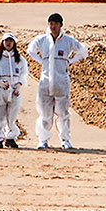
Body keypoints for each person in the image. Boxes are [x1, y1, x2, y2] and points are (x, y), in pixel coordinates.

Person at [27, 12, 83, 152]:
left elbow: (83, 51)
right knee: (45, 113)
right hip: (45, 82)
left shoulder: (68, 41)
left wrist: (70, 61)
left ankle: (65, 140)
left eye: (55, 24)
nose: (53, 26)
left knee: (63, 113)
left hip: (61, 82)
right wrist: (41, 62)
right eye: (51, 24)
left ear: (61, 25)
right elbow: (31, 50)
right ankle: (43, 140)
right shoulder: (42, 40)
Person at [0, 33, 28, 149]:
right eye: (6, 41)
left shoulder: (19, 59)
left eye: (10, 41)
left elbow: (24, 72)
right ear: (2, 43)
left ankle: (10, 138)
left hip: (14, 91)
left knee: (12, 116)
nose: (8, 43)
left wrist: (19, 84)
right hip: (0, 91)